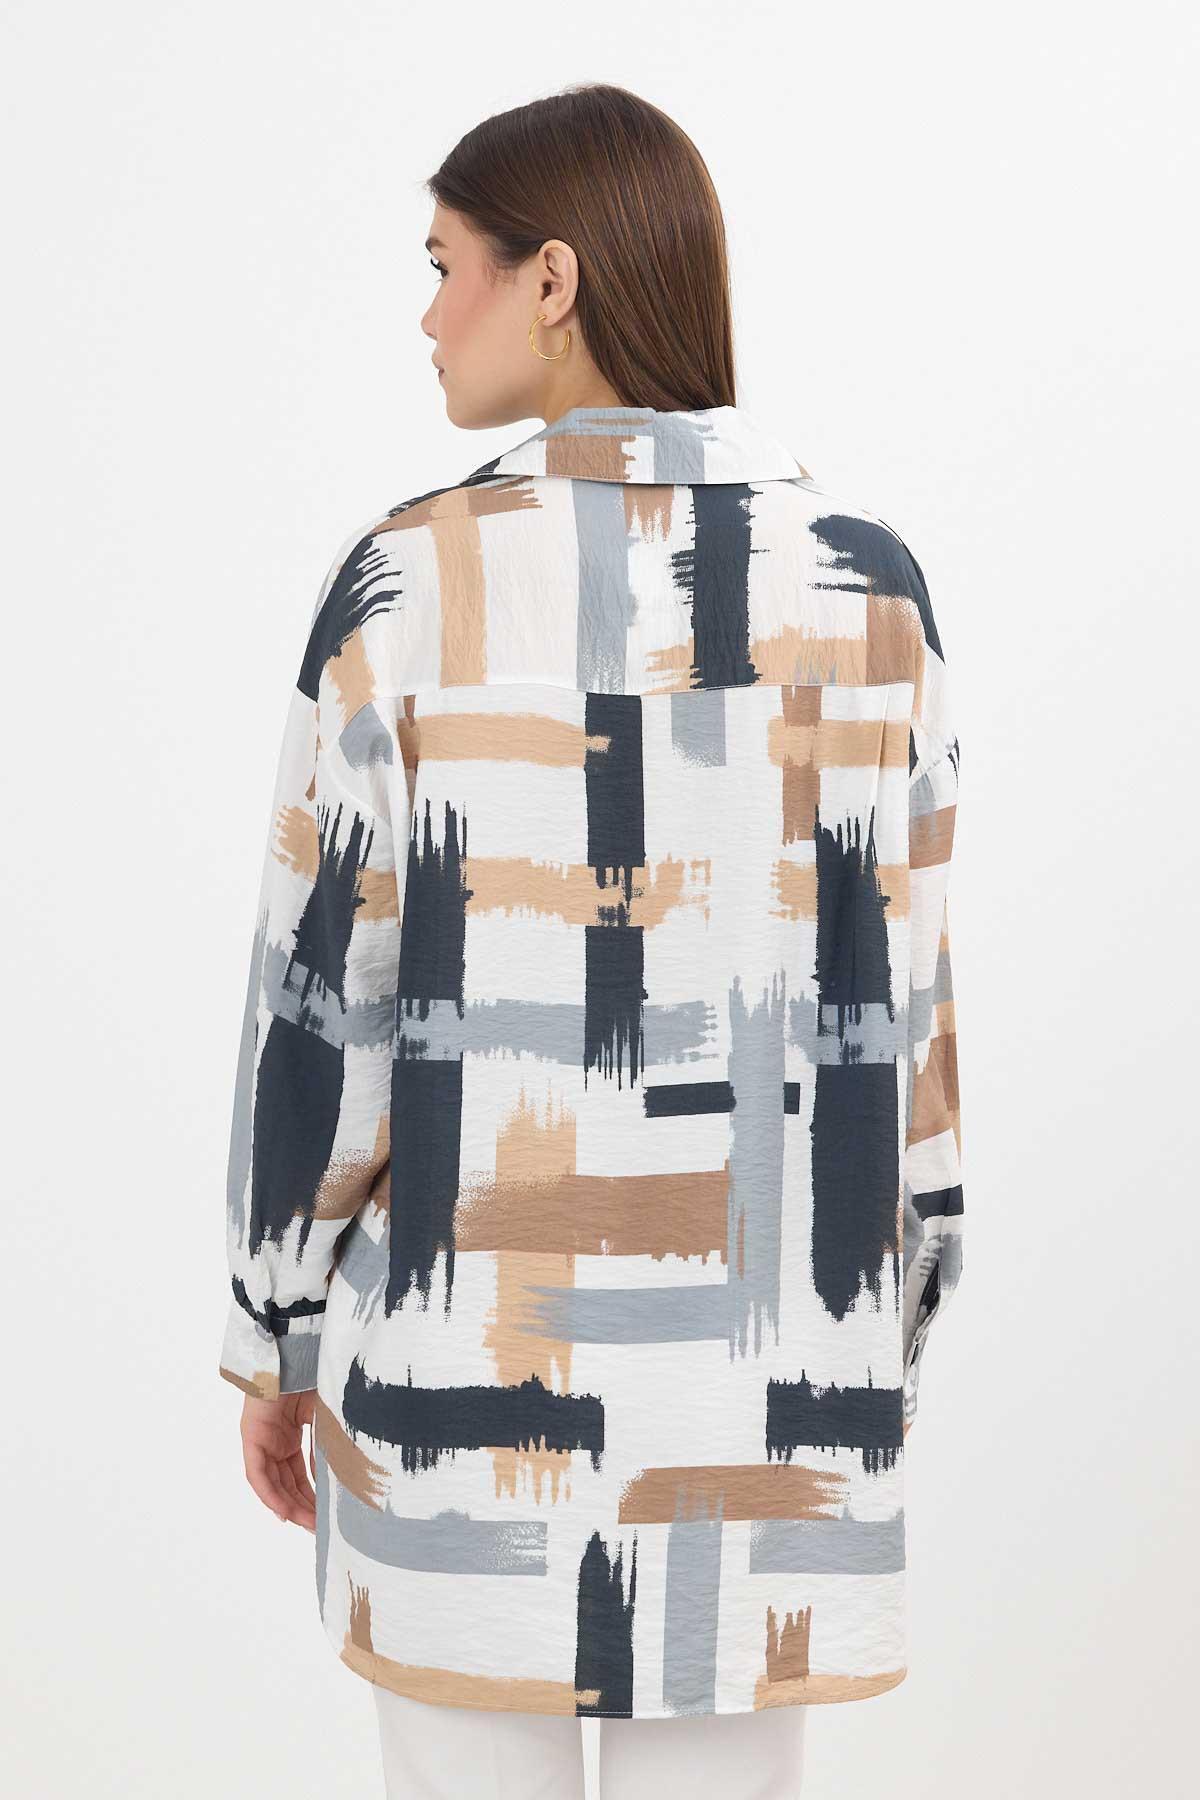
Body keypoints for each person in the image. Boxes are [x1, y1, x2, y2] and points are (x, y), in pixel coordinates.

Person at [217, 82, 964, 1800]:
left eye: (445, 266)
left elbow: (323, 1002)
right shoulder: (870, 594)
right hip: (772, 1405)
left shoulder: (409, 590)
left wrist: (275, 1332)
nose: (426, 317)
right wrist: (888, 1327)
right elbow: (909, 1015)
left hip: (464, 1395)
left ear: (551, 279)